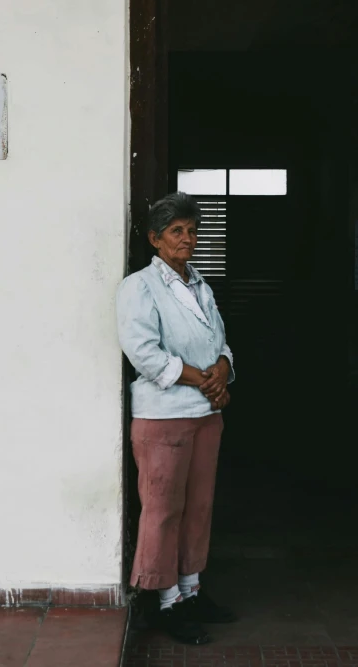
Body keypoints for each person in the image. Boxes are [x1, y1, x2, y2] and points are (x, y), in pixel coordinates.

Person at [116, 193, 236, 645]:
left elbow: (221, 344)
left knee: (198, 508)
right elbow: (145, 354)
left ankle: (190, 590)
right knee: (163, 510)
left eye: (192, 231)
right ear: (155, 239)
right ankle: (161, 602)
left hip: (206, 415)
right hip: (163, 418)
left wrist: (221, 373)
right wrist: (202, 380)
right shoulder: (139, 288)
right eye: (176, 232)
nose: (187, 239)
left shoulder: (200, 285)